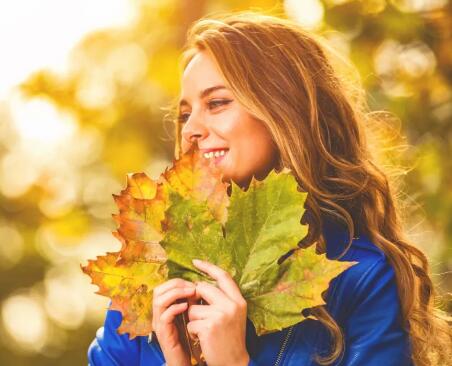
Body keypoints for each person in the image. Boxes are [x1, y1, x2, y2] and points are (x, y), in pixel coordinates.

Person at [87, 11, 451, 366]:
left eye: (216, 103)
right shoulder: (150, 272)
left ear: (283, 111)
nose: (190, 129)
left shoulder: (359, 278)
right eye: (185, 113)